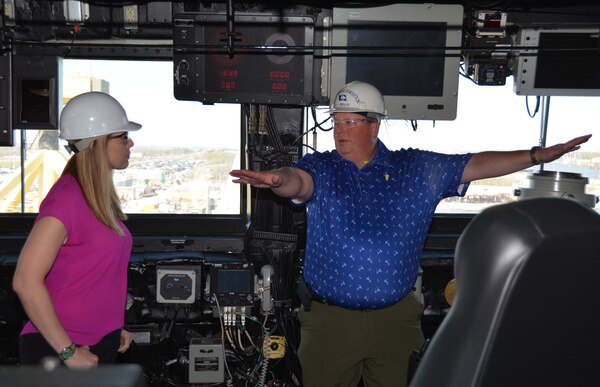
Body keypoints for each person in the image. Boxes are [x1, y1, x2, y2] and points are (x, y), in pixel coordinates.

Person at [229, 81, 592, 387]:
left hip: (396, 321)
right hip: (329, 322)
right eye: (336, 122)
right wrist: (279, 181)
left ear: (374, 127)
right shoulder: (322, 166)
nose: (340, 130)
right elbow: (300, 184)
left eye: (351, 122)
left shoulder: (416, 168)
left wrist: (535, 155)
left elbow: (474, 164)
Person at [12, 92, 141, 368]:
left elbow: (93, 277)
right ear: (96, 144)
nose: (130, 142)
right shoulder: (67, 199)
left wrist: (111, 329)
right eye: (122, 136)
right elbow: (25, 280)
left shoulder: (96, 198)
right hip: (59, 349)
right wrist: (68, 351)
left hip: (96, 343)